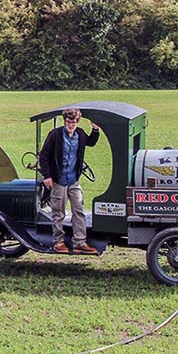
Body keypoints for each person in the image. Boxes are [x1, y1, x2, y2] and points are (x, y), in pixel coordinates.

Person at [38, 107, 100, 254]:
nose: (70, 125)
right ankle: (58, 242)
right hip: (59, 180)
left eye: (73, 122)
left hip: (73, 180)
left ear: (77, 122)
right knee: (58, 212)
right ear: (64, 121)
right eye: (68, 122)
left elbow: (91, 142)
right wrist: (47, 176)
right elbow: (44, 156)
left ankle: (80, 242)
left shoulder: (80, 134)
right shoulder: (55, 135)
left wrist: (96, 129)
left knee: (79, 210)